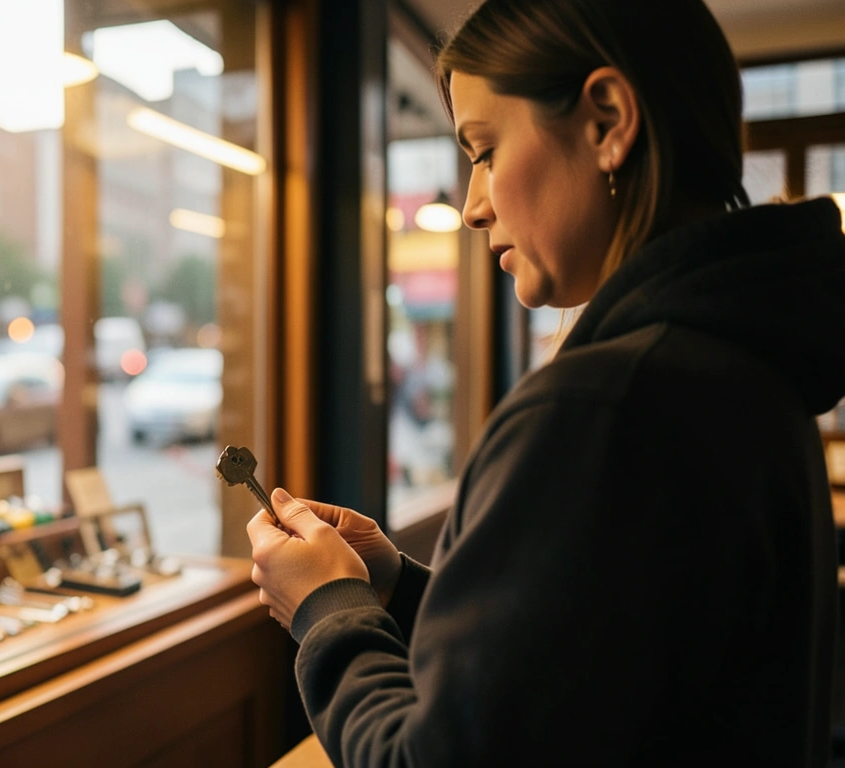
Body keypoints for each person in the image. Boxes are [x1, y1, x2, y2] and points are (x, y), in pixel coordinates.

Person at [247, 0, 845, 765]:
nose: (471, 206)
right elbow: (585, 673)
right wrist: (392, 583)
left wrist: (329, 608)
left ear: (606, 121)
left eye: (485, 150)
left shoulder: (605, 407)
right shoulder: (743, 368)